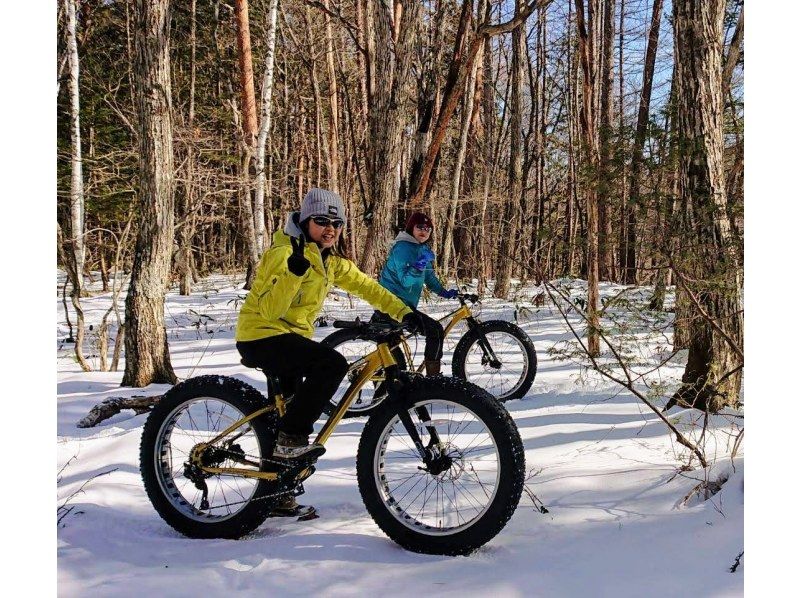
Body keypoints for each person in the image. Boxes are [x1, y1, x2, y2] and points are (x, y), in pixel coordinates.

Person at [235, 188, 423, 516]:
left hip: (291, 339)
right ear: (306, 221)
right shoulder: (284, 253)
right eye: (321, 221)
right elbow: (268, 311)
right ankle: (290, 441)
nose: (330, 228)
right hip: (261, 336)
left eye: (336, 223)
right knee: (331, 364)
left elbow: (369, 287)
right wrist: (293, 274)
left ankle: (278, 492)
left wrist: (405, 313)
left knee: (289, 410)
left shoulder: (330, 262)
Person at [376, 211, 459, 376]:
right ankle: (432, 380)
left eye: (428, 228)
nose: (424, 231)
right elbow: (406, 282)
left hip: (402, 306)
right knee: (435, 330)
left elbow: (429, 277)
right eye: (420, 227)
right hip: (392, 306)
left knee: (392, 351)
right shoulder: (402, 248)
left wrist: (444, 292)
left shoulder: (421, 249)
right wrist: (419, 264)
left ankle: (393, 382)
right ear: (411, 228)